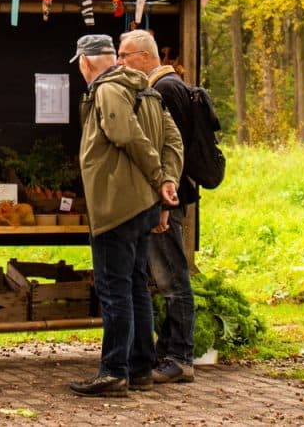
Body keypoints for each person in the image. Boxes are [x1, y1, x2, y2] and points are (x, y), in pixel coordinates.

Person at [69, 34, 183, 397]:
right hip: (144, 205)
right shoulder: (148, 92)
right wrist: (166, 182)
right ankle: (140, 369)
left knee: (114, 288)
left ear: (86, 63)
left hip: (116, 205)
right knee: (135, 285)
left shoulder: (107, 90)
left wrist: (157, 176)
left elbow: (124, 134)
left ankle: (114, 371)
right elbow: (173, 141)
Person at [117, 29, 196, 383]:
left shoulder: (163, 90)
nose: (120, 62)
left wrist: (165, 200)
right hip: (165, 196)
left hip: (167, 199)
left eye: (125, 55)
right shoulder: (169, 87)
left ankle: (179, 356)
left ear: (147, 57)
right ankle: (167, 351)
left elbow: (171, 148)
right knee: (163, 277)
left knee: (171, 278)